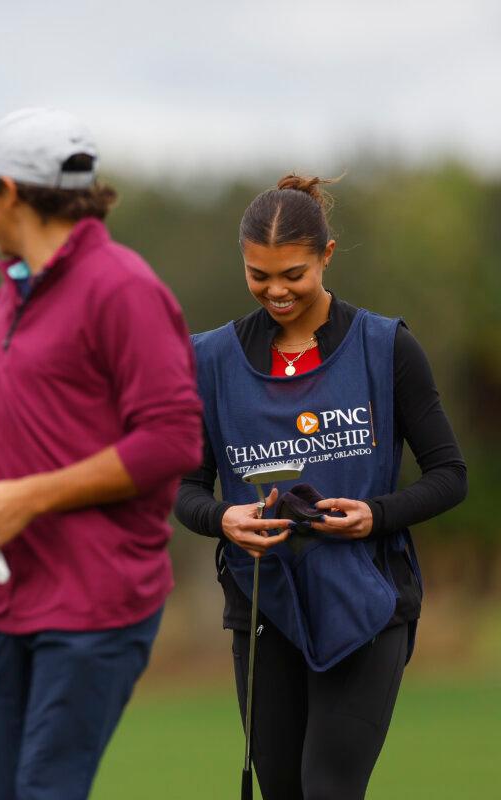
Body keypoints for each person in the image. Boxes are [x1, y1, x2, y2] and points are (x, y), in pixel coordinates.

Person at [0, 108, 203, 800]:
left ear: (8, 192)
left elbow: (172, 437)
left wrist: (27, 497)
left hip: (96, 606)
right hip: (15, 602)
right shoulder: (11, 292)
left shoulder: (123, 287)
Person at [174, 174, 468, 800]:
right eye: (259, 275)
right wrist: (223, 519)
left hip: (367, 600)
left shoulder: (387, 347)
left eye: (293, 274)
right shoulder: (210, 360)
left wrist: (376, 515)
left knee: (329, 789)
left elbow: (450, 476)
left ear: (327, 256)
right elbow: (185, 488)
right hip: (262, 607)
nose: (275, 290)